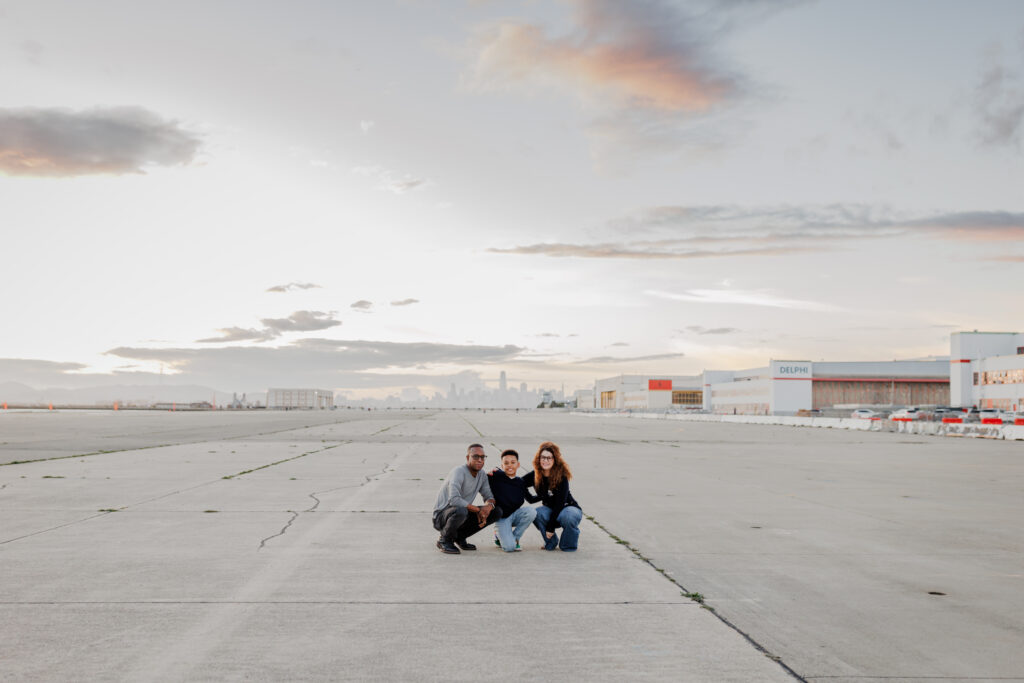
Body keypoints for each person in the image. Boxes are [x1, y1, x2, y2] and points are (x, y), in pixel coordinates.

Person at [432, 443, 500, 554]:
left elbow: (489, 496)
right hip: (442, 516)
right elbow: (454, 500)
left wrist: (488, 507)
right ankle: (444, 540)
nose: (480, 460)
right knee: (461, 510)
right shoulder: (458, 472)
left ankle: (459, 537)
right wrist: (479, 510)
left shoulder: (482, 475)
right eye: (475, 456)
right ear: (468, 457)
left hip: (461, 513)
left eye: (482, 457)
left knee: (496, 511)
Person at [522, 441, 582, 552]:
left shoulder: (561, 476)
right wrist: (531, 498)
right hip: (550, 510)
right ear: (538, 459)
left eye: (549, 458)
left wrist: (551, 527)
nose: (545, 461)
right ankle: (551, 541)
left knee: (568, 517)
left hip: (568, 508)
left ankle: (568, 545)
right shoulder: (535, 474)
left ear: (555, 459)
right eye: (543, 457)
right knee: (536, 513)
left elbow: (559, 504)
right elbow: (519, 483)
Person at [487, 449, 537, 552]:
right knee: (509, 548)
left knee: (531, 512)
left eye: (513, 463)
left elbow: (531, 499)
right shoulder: (495, 477)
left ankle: (515, 538)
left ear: (518, 464)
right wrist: (490, 471)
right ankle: (498, 536)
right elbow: (480, 476)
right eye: (506, 463)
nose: (510, 465)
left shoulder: (521, 482)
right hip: (502, 518)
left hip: (515, 515)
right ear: (502, 466)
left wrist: (546, 494)